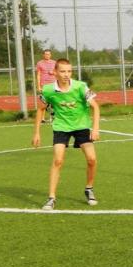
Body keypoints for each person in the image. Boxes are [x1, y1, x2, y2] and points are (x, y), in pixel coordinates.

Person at [31, 58, 100, 210]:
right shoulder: (48, 90)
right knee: (58, 160)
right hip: (61, 127)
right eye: (62, 71)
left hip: (81, 126)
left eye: (69, 71)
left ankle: (89, 189)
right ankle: (51, 198)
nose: (66, 74)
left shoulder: (81, 86)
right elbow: (40, 109)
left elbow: (95, 107)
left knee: (92, 159)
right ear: (55, 72)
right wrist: (36, 133)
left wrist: (95, 128)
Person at [35, 49, 58, 121]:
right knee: (43, 102)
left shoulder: (54, 63)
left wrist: (53, 73)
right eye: (46, 54)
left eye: (48, 54)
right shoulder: (39, 63)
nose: (47, 55)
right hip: (44, 85)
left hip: (53, 85)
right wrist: (38, 86)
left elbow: (58, 73)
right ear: (43, 55)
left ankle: (52, 117)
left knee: (53, 102)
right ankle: (42, 118)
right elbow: (38, 75)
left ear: (50, 55)